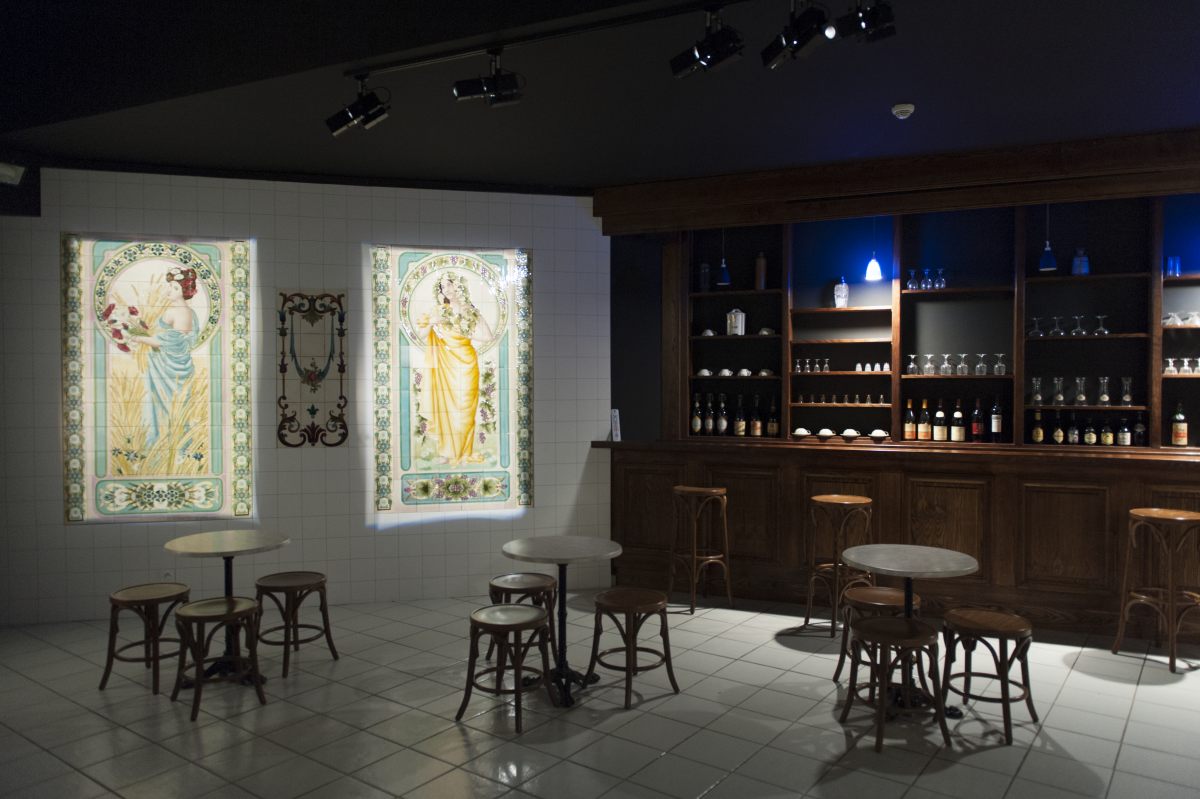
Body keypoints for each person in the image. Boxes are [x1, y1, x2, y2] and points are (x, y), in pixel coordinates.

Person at [415, 272, 494, 464]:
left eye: (449, 285)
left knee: (465, 409)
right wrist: (432, 322)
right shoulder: (439, 310)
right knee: (446, 408)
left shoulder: (470, 311)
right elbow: (421, 334)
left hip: (466, 363)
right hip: (445, 363)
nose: (447, 290)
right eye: (443, 287)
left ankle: (464, 452)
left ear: (458, 286)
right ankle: (447, 452)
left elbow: (487, 336)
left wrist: (466, 331)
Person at [137, 266, 200, 445]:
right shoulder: (191, 313)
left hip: (167, 371)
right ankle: (176, 445)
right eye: (170, 286)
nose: (169, 290)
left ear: (183, 291)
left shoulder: (175, 312)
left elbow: (164, 342)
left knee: (163, 407)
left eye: (174, 288)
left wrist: (137, 337)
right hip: (178, 367)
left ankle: (160, 445)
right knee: (176, 410)